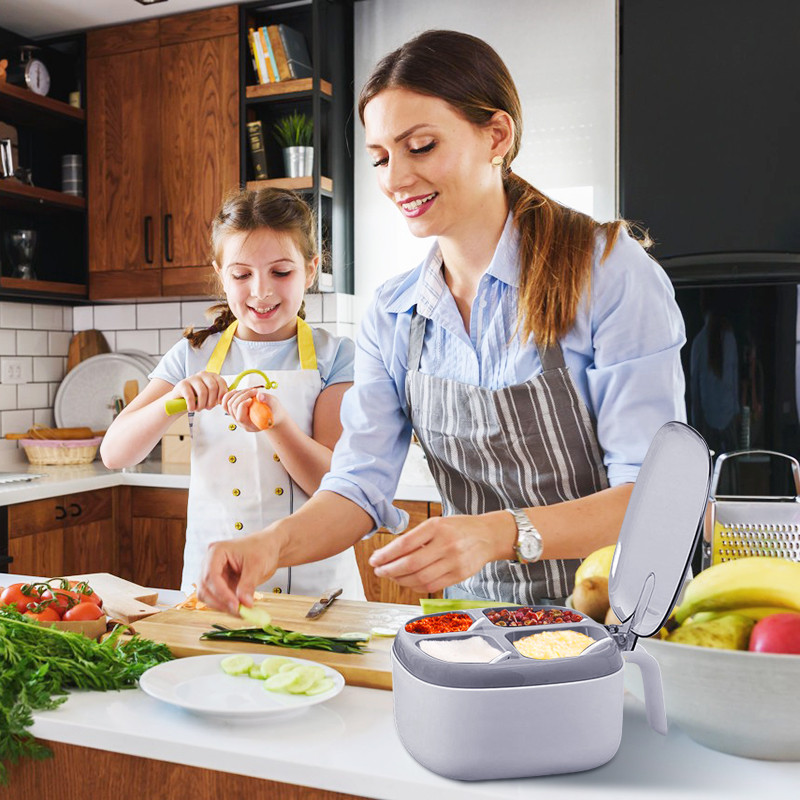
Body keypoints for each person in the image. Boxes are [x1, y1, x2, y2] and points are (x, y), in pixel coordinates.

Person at [197, 30, 686, 615]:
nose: (395, 179)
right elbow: (358, 484)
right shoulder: (394, 313)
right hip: (478, 622)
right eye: (380, 158)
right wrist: (271, 545)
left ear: (496, 136)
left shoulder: (606, 271)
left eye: (421, 146)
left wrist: (495, 533)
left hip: (624, 616)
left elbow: (653, 497)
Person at [100, 187, 364, 600]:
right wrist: (176, 401)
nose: (260, 291)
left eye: (281, 272)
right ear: (221, 275)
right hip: (217, 586)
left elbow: (333, 485)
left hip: (317, 589)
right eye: (242, 275)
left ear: (310, 271)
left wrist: (276, 425)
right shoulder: (192, 355)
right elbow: (115, 454)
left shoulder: (336, 357)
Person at [689, 289, 740, 457]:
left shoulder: (698, 342)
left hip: (707, 419)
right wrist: (736, 413)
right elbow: (734, 381)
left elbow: (695, 390)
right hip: (728, 417)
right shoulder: (729, 337)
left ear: (702, 306)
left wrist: (695, 426)